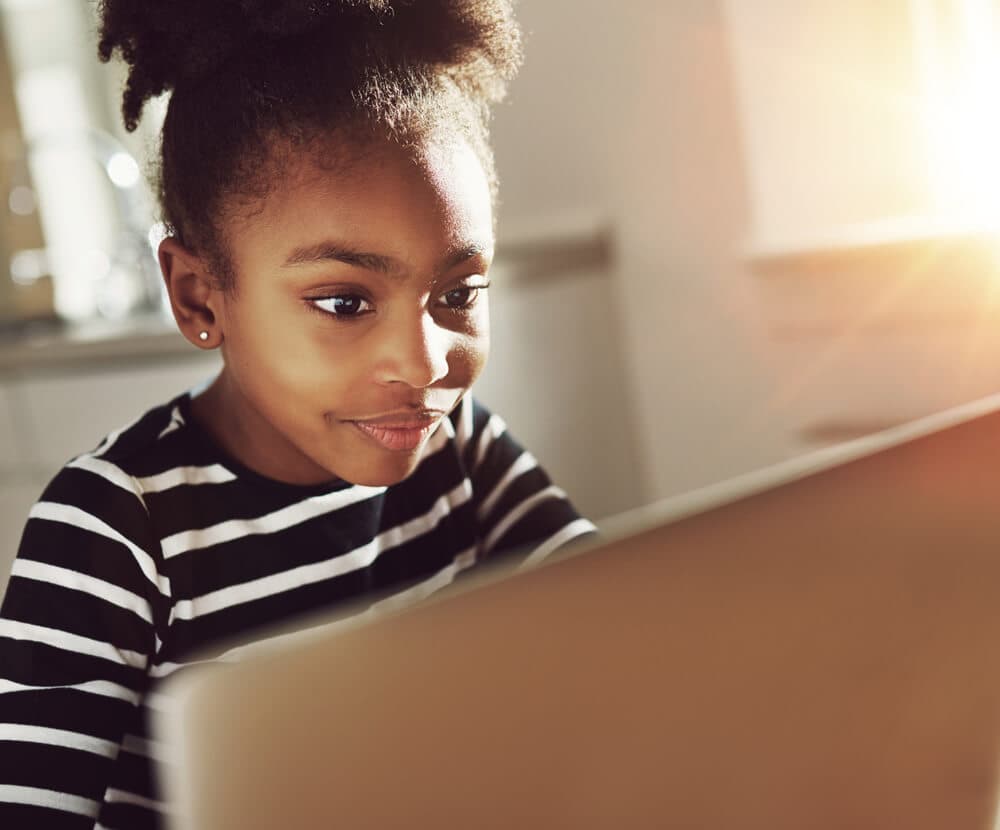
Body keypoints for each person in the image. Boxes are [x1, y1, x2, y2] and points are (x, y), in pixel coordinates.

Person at [0, 1, 595, 826]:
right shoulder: (117, 529)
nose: (425, 364)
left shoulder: (466, 452)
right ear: (199, 295)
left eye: (457, 293)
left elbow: (620, 633)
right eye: (346, 301)